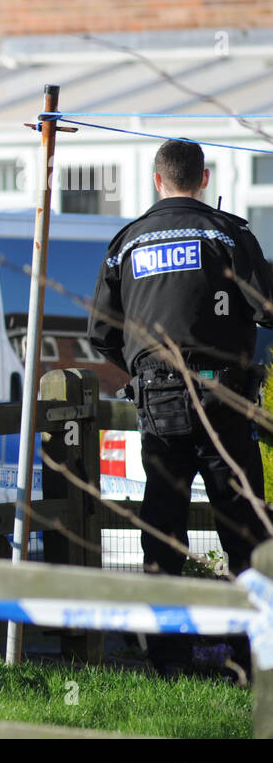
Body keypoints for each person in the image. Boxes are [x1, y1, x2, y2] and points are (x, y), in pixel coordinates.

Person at [89, 138, 273, 678]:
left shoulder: (126, 242)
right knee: (243, 525)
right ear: (204, 178)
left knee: (164, 525)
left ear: (156, 180)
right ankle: (252, 653)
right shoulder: (228, 233)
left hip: (158, 397)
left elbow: (101, 332)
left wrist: (142, 368)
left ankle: (168, 655)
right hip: (222, 396)